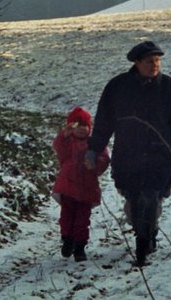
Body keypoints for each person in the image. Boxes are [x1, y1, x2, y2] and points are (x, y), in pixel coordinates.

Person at [85, 40, 171, 267]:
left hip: (159, 156)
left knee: (151, 196)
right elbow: (104, 121)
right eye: (149, 61)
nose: (154, 65)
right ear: (137, 62)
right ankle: (142, 231)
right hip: (128, 155)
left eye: (157, 61)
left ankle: (146, 240)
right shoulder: (117, 87)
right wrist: (94, 148)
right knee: (133, 200)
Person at [52, 106, 109, 262]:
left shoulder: (94, 143)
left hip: (87, 188)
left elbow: (104, 158)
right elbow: (58, 147)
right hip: (68, 187)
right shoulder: (67, 143)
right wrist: (63, 135)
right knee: (66, 217)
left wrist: (96, 164)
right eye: (78, 125)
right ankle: (67, 239)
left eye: (85, 125)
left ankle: (79, 247)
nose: (82, 129)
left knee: (83, 219)